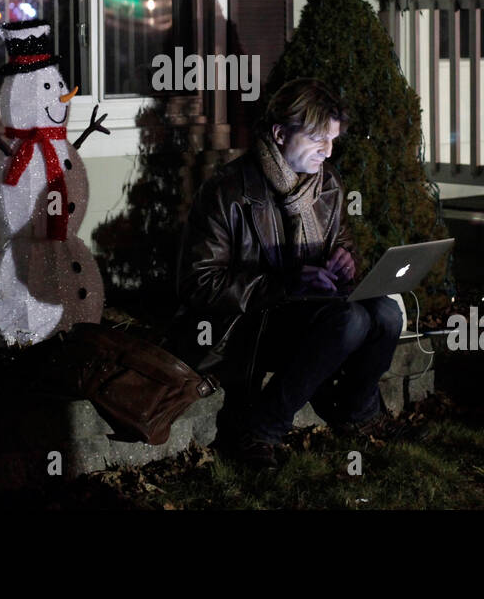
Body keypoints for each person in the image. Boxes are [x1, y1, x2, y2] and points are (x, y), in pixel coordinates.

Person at [172, 78, 404, 467]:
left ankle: (358, 414)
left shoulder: (326, 184)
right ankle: (260, 429)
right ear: (280, 134)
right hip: (250, 323)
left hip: (313, 308)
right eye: (318, 140)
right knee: (349, 320)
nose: (327, 152)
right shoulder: (227, 192)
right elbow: (198, 282)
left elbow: (342, 241)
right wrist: (284, 284)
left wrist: (346, 259)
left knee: (386, 313)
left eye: (332, 140)